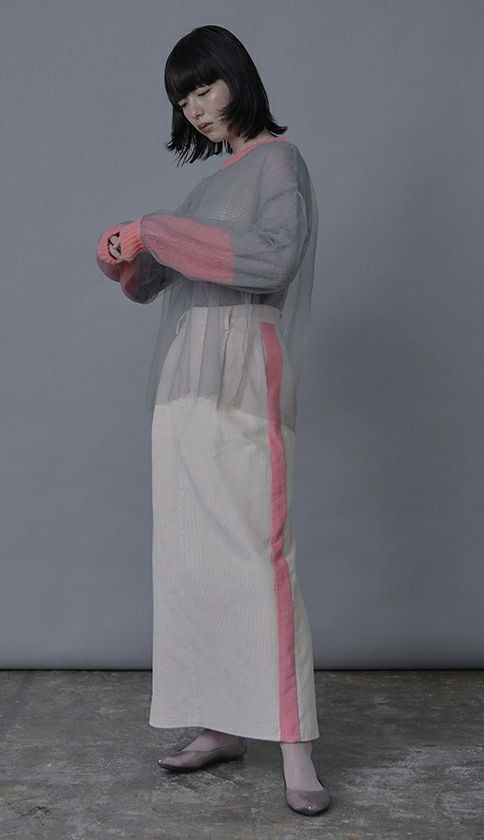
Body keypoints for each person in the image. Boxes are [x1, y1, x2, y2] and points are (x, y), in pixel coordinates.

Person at [95, 25, 329, 817]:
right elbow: (153, 282)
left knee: (260, 553)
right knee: (190, 555)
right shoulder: (206, 189)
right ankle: (222, 724)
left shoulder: (281, 163)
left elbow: (272, 259)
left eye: (204, 88)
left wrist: (155, 228)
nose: (195, 107)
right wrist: (122, 256)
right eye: (182, 98)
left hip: (244, 373)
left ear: (237, 79)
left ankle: (295, 746)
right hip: (183, 381)